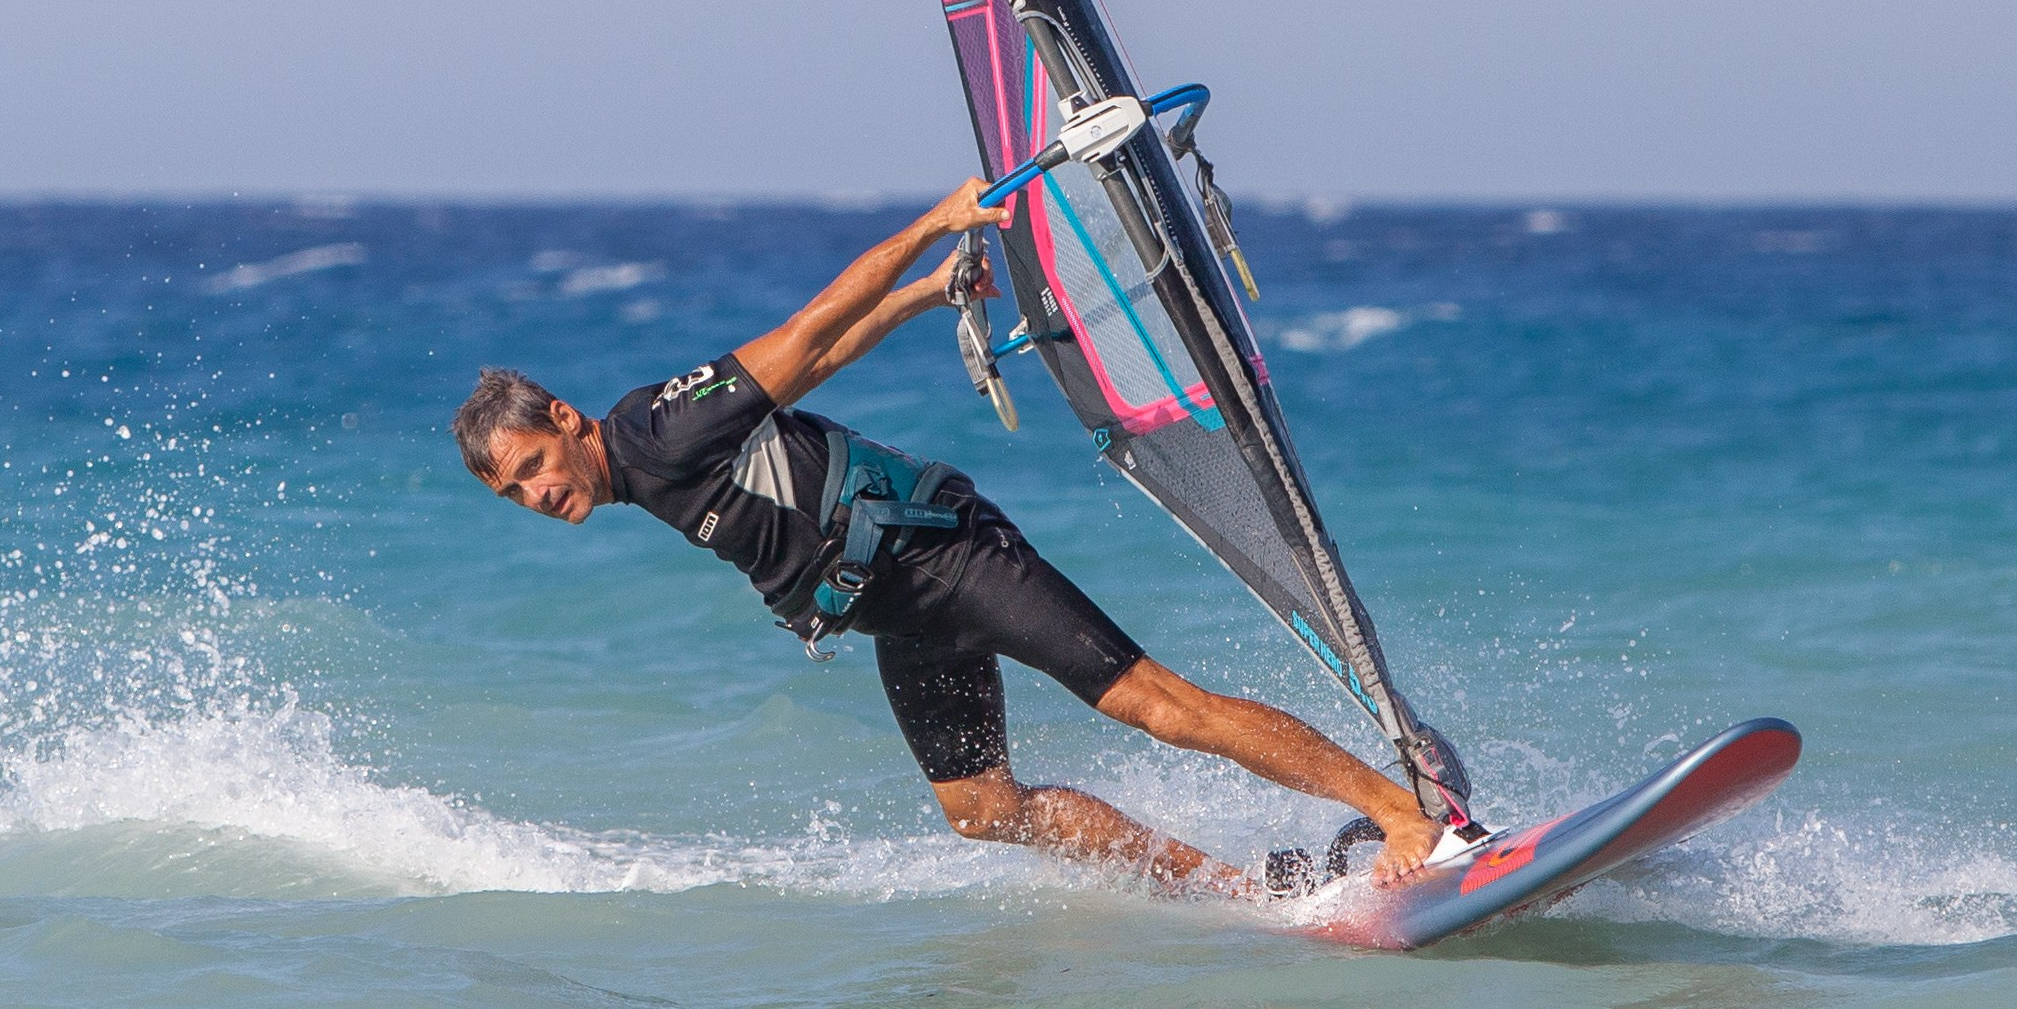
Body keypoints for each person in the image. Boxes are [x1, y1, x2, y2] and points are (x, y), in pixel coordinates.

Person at [453, 180, 1451, 899]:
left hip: (945, 553)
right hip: (897, 608)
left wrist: (932, 223)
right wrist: (925, 296)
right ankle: (1240, 891)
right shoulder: (639, 464)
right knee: (982, 809)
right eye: (515, 495)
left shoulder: (658, 429)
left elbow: (803, 329)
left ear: (567, 421)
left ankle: (1403, 811)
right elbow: (824, 365)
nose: (537, 496)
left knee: (1157, 706)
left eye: (532, 467)